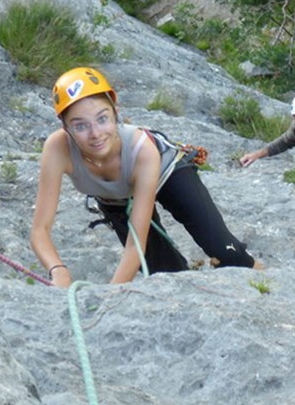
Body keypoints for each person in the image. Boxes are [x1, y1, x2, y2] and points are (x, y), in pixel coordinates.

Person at [31, 67, 263, 288]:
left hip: (168, 173)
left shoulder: (141, 149)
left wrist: (108, 297)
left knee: (224, 250)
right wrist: (58, 270)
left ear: (115, 111)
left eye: (102, 119)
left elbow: (135, 246)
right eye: (80, 126)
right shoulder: (57, 148)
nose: (96, 134)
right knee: (163, 273)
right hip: (118, 197)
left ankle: (268, 281)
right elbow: (40, 229)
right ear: (65, 127)